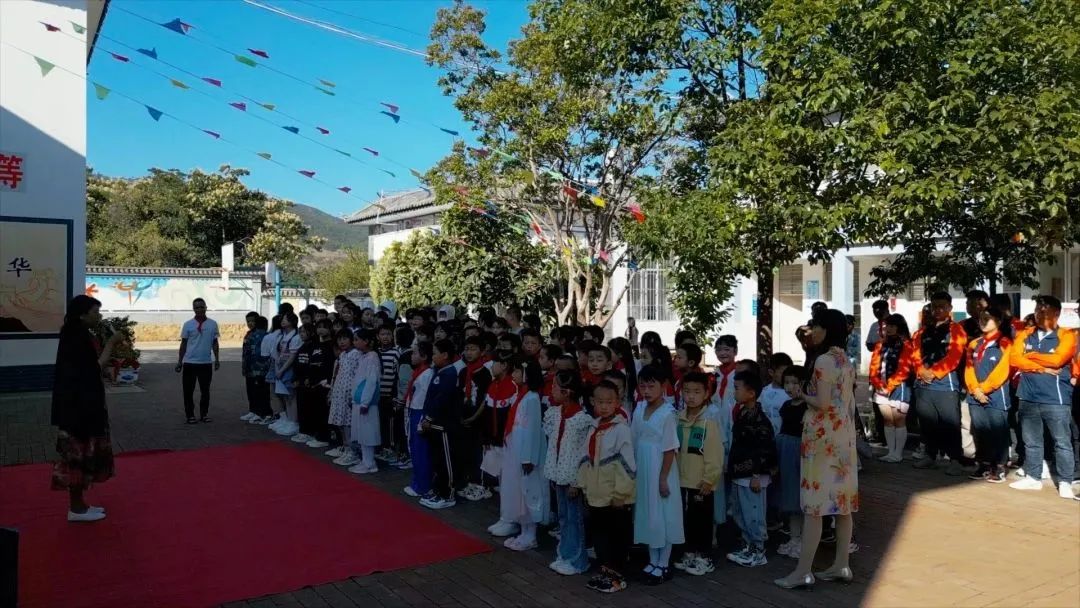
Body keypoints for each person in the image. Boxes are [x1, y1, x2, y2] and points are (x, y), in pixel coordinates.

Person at [775, 309, 859, 590]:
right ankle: (841, 564)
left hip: (822, 438)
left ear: (826, 329)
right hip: (843, 435)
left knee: (814, 506)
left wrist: (801, 394)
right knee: (842, 505)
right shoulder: (845, 359)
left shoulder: (824, 360)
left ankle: (803, 571)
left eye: (816, 326)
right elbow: (845, 402)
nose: (813, 331)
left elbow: (822, 403)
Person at [51, 295, 123, 522]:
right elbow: (93, 368)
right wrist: (111, 344)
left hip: (83, 404)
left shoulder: (79, 334)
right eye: (95, 311)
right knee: (77, 456)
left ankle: (80, 504)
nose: (98, 316)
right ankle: (76, 508)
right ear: (82, 314)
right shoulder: (76, 337)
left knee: (83, 455)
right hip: (77, 408)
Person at [1009, 295, 1077, 499]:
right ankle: (1033, 477)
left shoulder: (1066, 335)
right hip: (1027, 396)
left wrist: (1029, 357)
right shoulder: (1025, 333)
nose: (1039, 315)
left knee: (1062, 441)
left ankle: (1065, 481)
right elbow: (1014, 358)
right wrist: (1041, 367)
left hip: (1055, 398)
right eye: (1037, 310)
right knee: (1031, 440)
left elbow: (1057, 360)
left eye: (1044, 311)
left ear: (1056, 314)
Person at [578, 380, 636, 593]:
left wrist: (621, 493)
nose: (604, 406)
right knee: (600, 535)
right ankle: (604, 571)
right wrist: (583, 485)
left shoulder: (621, 430)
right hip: (596, 494)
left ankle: (617, 576)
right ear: (593, 402)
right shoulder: (594, 427)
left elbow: (628, 464)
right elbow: (585, 458)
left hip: (614, 496)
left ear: (617, 402)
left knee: (617, 536)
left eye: (609, 402)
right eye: (600, 402)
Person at [632, 365, 684, 585]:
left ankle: (664, 562)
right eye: (642, 386)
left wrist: (663, 478)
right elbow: (634, 439)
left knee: (664, 513)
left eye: (651, 386)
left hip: (661, 468)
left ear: (663, 386)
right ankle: (652, 560)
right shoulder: (639, 409)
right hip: (643, 467)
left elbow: (670, 448)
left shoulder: (668, 413)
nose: (646, 391)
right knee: (647, 512)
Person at [910, 292, 970, 475]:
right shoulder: (921, 332)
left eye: (942, 306)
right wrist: (921, 370)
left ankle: (955, 460)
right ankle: (930, 456)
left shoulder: (956, 330)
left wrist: (934, 373)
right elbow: (914, 354)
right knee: (927, 422)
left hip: (945, 385)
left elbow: (954, 357)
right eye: (934, 306)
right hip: (922, 384)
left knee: (950, 424)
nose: (937, 310)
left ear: (950, 308)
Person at [494, 359, 550, 552]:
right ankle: (523, 530)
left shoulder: (532, 398)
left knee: (529, 491)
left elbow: (533, 430)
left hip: (525, 452)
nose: (514, 375)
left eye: (517, 371)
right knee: (518, 490)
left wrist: (528, 458)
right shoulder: (521, 396)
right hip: (516, 447)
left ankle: (531, 533)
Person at [672, 372, 723, 577]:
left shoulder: (708, 422)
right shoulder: (678, 419)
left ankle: (705, 557)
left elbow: (715, 454)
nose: (691, 396)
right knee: (688, 519)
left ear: (706, 393)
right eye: (687, 391)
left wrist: (709, 479)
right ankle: (690, 552)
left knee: (702, 519)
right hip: (681, 480)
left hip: (701, 482)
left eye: (696, 392)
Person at [725, 371, 777, 569]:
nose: (734, 392)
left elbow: (764, 449)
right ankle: (748, 546)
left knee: (754, 513)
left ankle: (758, 550)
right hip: (740, 472)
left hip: (753, 475)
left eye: (737, 388)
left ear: (751, 392)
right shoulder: (742, 413)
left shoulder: (760, 421)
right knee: (741, 512)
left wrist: (756, 475)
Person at [543, 371, 593, 576]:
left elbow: (584, 453)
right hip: (559, 473)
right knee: (563, 517)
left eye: (555, 387)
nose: (551, 390)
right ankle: (565, 553)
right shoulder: (555, 414)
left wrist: (577, 482)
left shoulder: (582, 420)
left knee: (574, 518)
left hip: (572, 477)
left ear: (566, 392)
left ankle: (578, 560)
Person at [964, 306, 1013, 483]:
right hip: (975, 395)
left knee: (998, 431)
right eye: (981, 318)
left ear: (998, 321)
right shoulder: (974, 344)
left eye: (988, 318)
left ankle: (999, 466)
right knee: (980, 430)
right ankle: (983, 464)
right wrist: (975, 389)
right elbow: (968, 369)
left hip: (996, 395)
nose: (983, 322)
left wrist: (984, 389)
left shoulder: (1005, 343)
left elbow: (1003, 370)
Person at [420, 339, 464, 510]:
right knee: (438, 460)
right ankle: (439, 490)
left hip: (444, 425)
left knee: (446, 461)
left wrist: (429, 417)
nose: (432, 356)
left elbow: (442, 399)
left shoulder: (449, 374)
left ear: (445, 355)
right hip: (436, 425)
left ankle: (448, 495)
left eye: (435, 353)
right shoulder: (440, 372)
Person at [869, 314, 915, 463]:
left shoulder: (906, 345)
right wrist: (877, 383)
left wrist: (889, 386)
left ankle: (898, 453)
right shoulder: (880, 344)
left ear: (899, 327)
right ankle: (890, 452)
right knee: (887, 420)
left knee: (899, 421)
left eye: (892, 326)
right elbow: (873, 366)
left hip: (899, 387)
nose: (888, 329)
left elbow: (904, 369)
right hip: (881, 387)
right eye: (887, 326)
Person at [776, 365, 808, 559]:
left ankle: (805, 539)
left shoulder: (808, 406)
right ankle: (794, 538)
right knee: (790, 495)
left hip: (801, 453)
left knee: (801, 497)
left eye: (795, 382)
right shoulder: (786, 406)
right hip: (785, 451)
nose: (790, 387)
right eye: (787, 382)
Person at [175, 298, 220, 424]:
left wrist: (217, 359)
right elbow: (183, 344)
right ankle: (190, 415)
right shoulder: (188, 324)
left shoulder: (213, 324)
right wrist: (180, 361)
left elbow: (215, 343)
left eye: (201, 307)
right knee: (188, 391)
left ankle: (204, 414)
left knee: (205, 391)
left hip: (206, 363)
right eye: (196, 307)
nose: (199, 309)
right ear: (193, 309)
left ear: (206, 307)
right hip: (190, 363)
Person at [295, 320, 334, 448]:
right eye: (319, 327)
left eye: (324, 327)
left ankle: (324, 437)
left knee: (323, 411)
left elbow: (330, 365)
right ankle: (316, 434)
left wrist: (327, 381)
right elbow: (311, 363)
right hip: (313, 383)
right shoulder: (317, 345)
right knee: (315, 410)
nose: (321, 330)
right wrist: (309, 378)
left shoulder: (332, 345)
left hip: (325, 383)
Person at [403, 341, 435, 497]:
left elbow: (427, 399)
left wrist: (423, 418)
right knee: (415, 450)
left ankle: (423, 485)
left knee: (421, 451)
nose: (412, 355)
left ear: (424, 356)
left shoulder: (427, 374)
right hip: (414, 410)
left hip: (420, 412)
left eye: (415, 353)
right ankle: (417, 482)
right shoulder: (418, 372)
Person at [349, 328, 382, 474]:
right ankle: (365, 460)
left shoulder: (372, 358)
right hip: (360, 400)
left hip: (366, 402)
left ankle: (369, 463)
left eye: (357, 339)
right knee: (361, 432)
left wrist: (365, 402)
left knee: (367, 432)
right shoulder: (364, 357)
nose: (354, 342)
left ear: (366, 341)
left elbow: (371, 382)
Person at [328, 329, 361, 467]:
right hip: (339, 393)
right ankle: (346, 447)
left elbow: (357, 375)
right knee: (340, 423)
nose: (341, 342)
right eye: (339, 339)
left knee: (348, 423)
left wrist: (353, 394)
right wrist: (332, 391)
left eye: (345, 338)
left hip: (349, 394)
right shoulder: (342, 355)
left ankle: (353, 452)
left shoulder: (356, 354)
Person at [268, 312, 302, 437]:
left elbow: (292, 356)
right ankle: (288, 420)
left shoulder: (296, 337)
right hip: (280, 368)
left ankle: (293, 422)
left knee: (291, 397)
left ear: (293, 322)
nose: (283, 321)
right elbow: (277, 353)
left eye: (286, 319)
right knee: (285, 397)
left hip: (289, 369)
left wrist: (282, 370)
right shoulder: (282, 336)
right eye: (282, 319)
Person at [864, 300, 891, 445]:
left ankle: (892, 437)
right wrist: (877, 344)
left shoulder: (895, 322)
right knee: (876, 403)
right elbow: (869, 344)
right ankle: (881, 435)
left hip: (891, 369)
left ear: (886, 309)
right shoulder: (874, 326)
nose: (876, 313)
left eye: (879, 309)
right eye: (874, 310)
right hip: (876, 368)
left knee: (891, 405)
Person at [376, 324, 403, 465]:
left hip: (389, 395)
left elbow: (397, 375)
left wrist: (394, 394)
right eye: (382, 334)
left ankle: (391, 450)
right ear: (378, 336)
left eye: (388, 334)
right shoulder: (375, 353)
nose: (385, 337)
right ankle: (382, 448)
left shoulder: (396, 353)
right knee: (380, 423)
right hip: (377, 395)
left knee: (390, 424)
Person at [241, 313, 270, 423]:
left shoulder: (261, 335)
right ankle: (252, 410)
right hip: (249, 368)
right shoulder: (249, 334)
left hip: (258, 369)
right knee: (250, 391)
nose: (250, 323)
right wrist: (245, 367)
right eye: (248, 321)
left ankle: (261, 412)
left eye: (252, 321)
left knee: (259, 391)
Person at [761, 353, 793, 435]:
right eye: (783, 373)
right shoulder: (762, 393)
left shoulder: (793, 394)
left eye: (789, 373)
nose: (787, 376)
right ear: (771, 372)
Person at [672, 343, 705, 410]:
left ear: (691, 363)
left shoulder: (699, 382)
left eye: (679, 358)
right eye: (676, 357)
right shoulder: (680, 380)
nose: (675, 360)